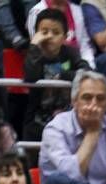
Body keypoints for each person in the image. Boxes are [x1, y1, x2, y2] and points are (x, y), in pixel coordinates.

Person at [23, 6, 90, 142]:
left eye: (55, 32)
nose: (49, 36)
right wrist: (34, 46)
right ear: (36, 34)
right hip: (37, 122)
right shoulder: (34, 55)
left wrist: (63, 75)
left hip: (68, 121)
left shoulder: (71, 53)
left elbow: (86, 74)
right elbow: (31, 77)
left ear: (65, 37)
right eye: (44, 32)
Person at [26, 0, 95, 65]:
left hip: (76, 63)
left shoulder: (78, 11)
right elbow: (36, 46)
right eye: (45, 32)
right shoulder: (36, 12)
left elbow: (85, 48)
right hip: (46, 66)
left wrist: (89, 69)